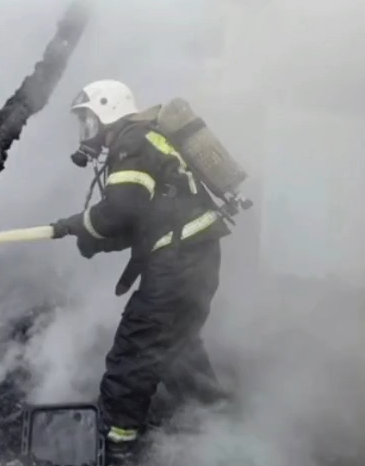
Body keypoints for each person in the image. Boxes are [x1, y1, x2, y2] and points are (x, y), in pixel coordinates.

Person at [50, 79, 231, 465]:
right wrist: (92, 238)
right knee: (178, 349)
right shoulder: (145, 142)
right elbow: (141, 220)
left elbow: (121, 211)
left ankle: (118, 449)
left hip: (179, 266)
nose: (87, 132)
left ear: (107, 111)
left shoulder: (132, 143)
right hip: (193, 263)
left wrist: (79, 224)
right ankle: (222, 431)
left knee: (133, 356)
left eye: (89, 121)